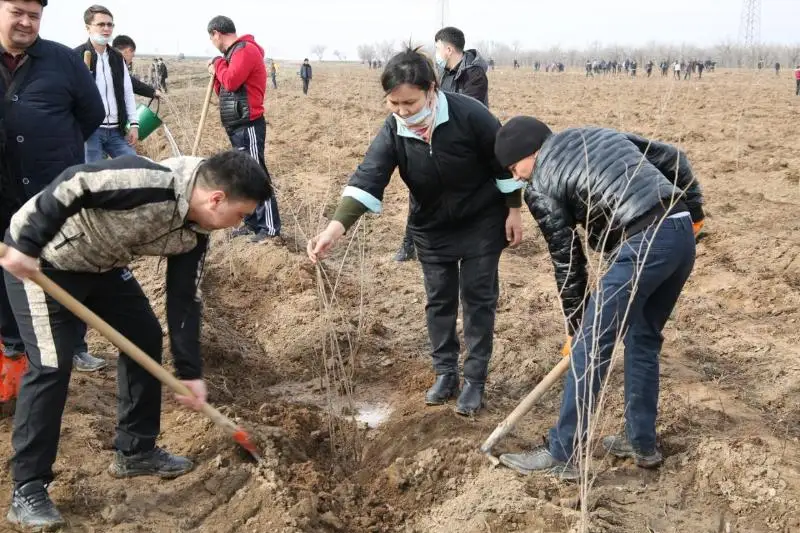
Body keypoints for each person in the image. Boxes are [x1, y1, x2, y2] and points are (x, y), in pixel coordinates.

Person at [0, 150, 273, 529]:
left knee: (144, 335)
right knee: (51, 365)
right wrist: (27, 243)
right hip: (44, 261)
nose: (236, 224)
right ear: (216, 199)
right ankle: (28, 488)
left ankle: (135, 451)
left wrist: (190, 372)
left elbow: (184, 301)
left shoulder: (195, 233)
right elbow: (74, 181)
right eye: (240, 215)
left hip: (103, 264)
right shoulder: (149, 183)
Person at [307, 48, 523, 416]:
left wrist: (514, 210)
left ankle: (474, 380)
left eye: (410, 102)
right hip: (432, 225)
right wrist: (334, 229)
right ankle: (445, 373)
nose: (403, 111)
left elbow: (504, 163)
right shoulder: (395, 128)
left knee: (477, 299)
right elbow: (369, 175)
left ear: (432, 90)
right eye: (394, 103)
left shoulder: (471, 115)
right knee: (439, 299)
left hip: (481, 222)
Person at [493, 116, 704, 481]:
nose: (518, 177)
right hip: (679, 230)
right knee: (643, 338)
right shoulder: (599, 134)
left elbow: (567, 259)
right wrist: (695, 215)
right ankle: (641, 442)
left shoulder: (541, 182)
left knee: (591, 347)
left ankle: (562, 452)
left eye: (515, 167)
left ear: (532, 153)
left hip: (643, 241)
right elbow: (674, 157)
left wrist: (576, 327)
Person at [0, 0, 106, 384]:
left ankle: (72, 346)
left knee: (62, 267)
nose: (26, 22)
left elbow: (91, 113)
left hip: (51, 191)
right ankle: (13, 348)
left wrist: (54, 146)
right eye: (17, 12)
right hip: (3, 189)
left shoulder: (63, 61)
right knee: (7, 272)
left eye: (34, 15)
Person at [394, 26, 491, 263]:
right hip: (434, 140)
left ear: (448, 49)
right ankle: (409, 243)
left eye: (437, 47)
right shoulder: (442, 72)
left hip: (464, 146)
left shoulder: (474, 75)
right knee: (420, 190)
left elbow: (467, 111)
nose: (435, 52)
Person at [207, 15, 282, 243]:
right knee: (243, 176)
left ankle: (269, 228)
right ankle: (252, 224)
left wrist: (217, 65)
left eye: (212, 38)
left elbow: (231, 80)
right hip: (236, 124)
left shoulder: (246, 50)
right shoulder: (232, 55)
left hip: (249, 124)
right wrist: (218, 72)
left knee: (257, 174)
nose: (213, 43)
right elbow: (226, 92)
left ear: (217, 33)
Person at [75, 5, 139, 164]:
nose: (106, 28)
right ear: (88, 27)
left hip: (116, 130)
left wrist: (134, 124)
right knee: (92, 176)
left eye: (110, 24)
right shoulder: (77, 56)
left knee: (134, 166)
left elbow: (127, 91)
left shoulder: (117, 57)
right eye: (101, 24)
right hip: (90, 131)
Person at [112, 35, 163, 99]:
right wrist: (153, 92)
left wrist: (152, 92)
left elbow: (131, 82)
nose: (131, 59)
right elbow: (132, 83)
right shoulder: (112, 67)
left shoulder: (113, 64)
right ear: (128, 50)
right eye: (132, 56)